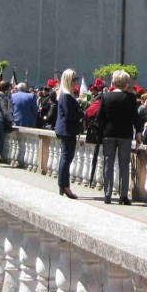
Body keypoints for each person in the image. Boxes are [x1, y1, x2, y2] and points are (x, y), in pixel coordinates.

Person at [98, 69, 142, 204]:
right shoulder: (131, 98)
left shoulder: (106, 97)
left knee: (108, 163)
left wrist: (101, 133)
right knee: (124, 165)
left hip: (109, 134)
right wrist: (139, 133)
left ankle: (107, 194)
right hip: (125, 135)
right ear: (126, 83)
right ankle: (123, 195)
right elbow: (136, 118)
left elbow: (100, 117)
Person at [53, 69, 83, 198]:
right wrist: (82, 113)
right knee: (66, 158)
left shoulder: (65, 95)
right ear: (68, 81)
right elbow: (70, 114)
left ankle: (63, 185)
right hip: (67, 130)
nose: (76, 82)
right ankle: (64, 186)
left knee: (66, 157)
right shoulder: (66, 96)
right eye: (74, 80)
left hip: (66, 129)